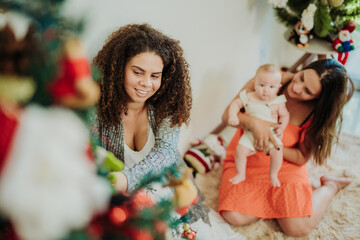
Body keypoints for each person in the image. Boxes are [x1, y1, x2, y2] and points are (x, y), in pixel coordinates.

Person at [91, 24, 243, 239]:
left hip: (166, 184)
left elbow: (165, 155)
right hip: (121, 197)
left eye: (155, 76)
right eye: (137, 72)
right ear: (118, 68)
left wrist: (126, 178)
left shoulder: (166, 106)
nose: (146, 83)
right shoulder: (97, 110)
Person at [218, 59, 352, 237]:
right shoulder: (270, 79)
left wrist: (273, 145)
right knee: (233, 216)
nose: (297, 88)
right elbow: (227, 116)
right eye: (301, 77)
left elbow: (301, 157)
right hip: (247, 157)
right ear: (303, 68)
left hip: (284, 163)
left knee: (298, 229)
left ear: (317, 98)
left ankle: (330, 186)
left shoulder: (315, 112)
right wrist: (253, 123)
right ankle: (276, 204)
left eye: (307, 91)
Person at [227, 64, 289, 186]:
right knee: (240, 150)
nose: (266, 90)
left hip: (271, 133)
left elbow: (285, 115)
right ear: (254, 83)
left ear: (278, 88)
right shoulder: (249, 96)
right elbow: (235, 104)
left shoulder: (278, 101)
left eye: (272, 87)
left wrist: (281, 127)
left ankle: (273, 174)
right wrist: (233, 115)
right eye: (262, 85)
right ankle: (240, 174)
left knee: (278, 150)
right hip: (250, 133)